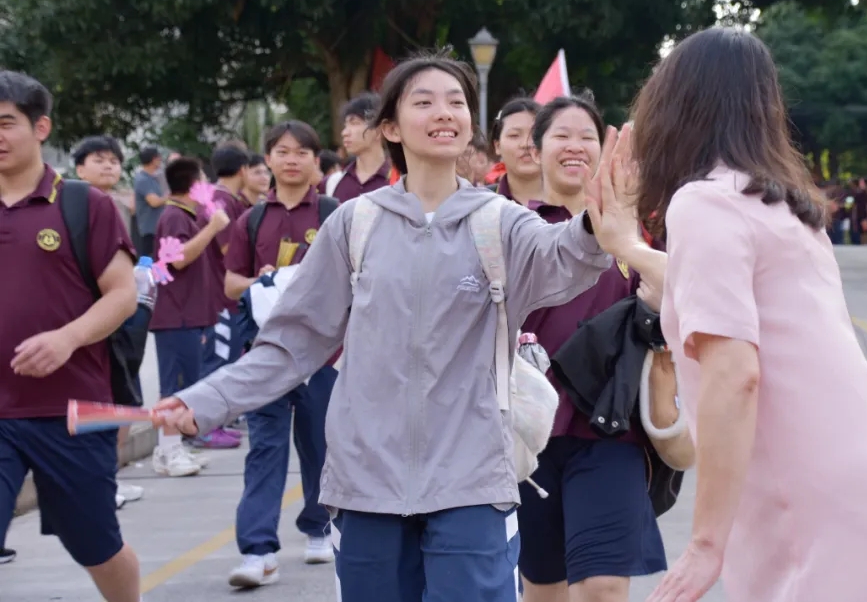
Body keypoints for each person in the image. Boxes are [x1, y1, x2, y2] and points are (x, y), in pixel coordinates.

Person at [154, 52, 640, 602]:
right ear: (390, 127)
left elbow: (565, 255)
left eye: (456, 102)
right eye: (424, 101)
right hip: (366, 485)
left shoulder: (500, 222)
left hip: (472, 483)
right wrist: (206, 400)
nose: (445, 112)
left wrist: (598, 222)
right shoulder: (354, 224)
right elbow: (291, 344)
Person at [633, 28, 867, 602]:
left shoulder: (704, 203)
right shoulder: (785, 208)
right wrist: (622, 245)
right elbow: (694, 287)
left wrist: (706, 544)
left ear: (674, 106)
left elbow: (735, 372)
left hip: (817, 516)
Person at [516, 96, 668, 602]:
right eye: (561, 135)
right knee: (544, 590)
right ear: (536, 150)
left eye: (587, 136)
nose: (575, 146)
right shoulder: (514, 228)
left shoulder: (634, 233)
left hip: (610, 430)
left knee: (602, 587)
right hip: (530, 433)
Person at [0, 71, 142, 602]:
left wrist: (66, 338)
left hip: (74, 411)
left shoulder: (84, 205)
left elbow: (122, 295)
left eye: (5, 123)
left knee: (95, 545)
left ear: (41, 127)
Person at [220, 121, 340, 587]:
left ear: (316, 161)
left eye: (302, 152)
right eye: (283, 152)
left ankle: (318, 526)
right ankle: (257, 550)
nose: (292, 160)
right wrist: (263, 280)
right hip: (266, 354)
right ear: (267, 159)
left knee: (320, 446)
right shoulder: (250, 220)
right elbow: (231, 283)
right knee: (265, 449)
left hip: (323, 356)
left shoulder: (333, 214)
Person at [149, 157, 236, 478]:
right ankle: (168, 451)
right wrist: (212, 227)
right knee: (173, 388)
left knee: (186, 387)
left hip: (189, 316)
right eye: (204, 180)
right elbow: (178, 259)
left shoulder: (186, 215)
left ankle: (174, 448)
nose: (209, 187)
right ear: (193, 184)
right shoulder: (174, 216)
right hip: (176, 316)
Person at [73, 135, 147, 509]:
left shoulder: (117, 206)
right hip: (86, 325)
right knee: (102, 406)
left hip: (120, 321)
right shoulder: (73, 208)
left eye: (113, 161)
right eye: (98, 160)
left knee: (122, 402)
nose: (108, 166)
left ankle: (109, 480)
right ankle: (99, 485)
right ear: (79, 168)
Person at [206, 145, 252, 377]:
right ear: (243, 169)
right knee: (220, 369)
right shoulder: (220, 200)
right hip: (220, 300)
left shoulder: (230, 199)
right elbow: (229, 250)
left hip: (228, 299)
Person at [321, 92, 392, 201]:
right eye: (345, 125)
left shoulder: (400, 180)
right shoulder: (332, 183)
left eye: (354, 123)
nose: (344, 133)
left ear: (379, 129)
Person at [133, 146, 166, 258]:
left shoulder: (152, 178)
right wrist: (171, 196)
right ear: (154, 159)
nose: (160, 160)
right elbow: (154, 202)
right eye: (158, 157)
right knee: (148, 262)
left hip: (156, 229)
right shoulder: (143, 179)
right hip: (149, 230)